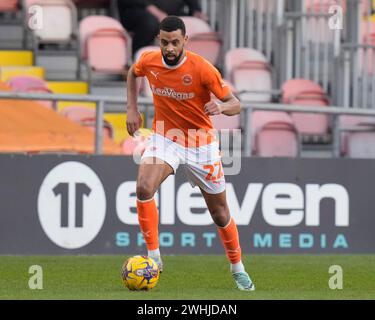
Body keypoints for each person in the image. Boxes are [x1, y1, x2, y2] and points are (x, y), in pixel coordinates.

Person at [125, 16, 255, 291]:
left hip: (201, 143)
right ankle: (154, 257)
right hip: (165, 137)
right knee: (143, 186)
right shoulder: (149, 61)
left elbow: (236, 104)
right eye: (164, 42)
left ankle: (237, 268)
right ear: (159, 40)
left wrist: (221, 108)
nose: (169, 48)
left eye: (174, 42)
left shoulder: (202, 69)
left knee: (220, 213)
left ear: (185, 41)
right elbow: (133, 73)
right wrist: (132, 108)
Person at [117, 0, 208, 56]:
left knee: (198, 24)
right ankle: (138, 60)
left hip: (171, 12)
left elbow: (192, 4)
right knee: (150, 24)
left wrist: (196, 10)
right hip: (138, 9)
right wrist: (153, 9)